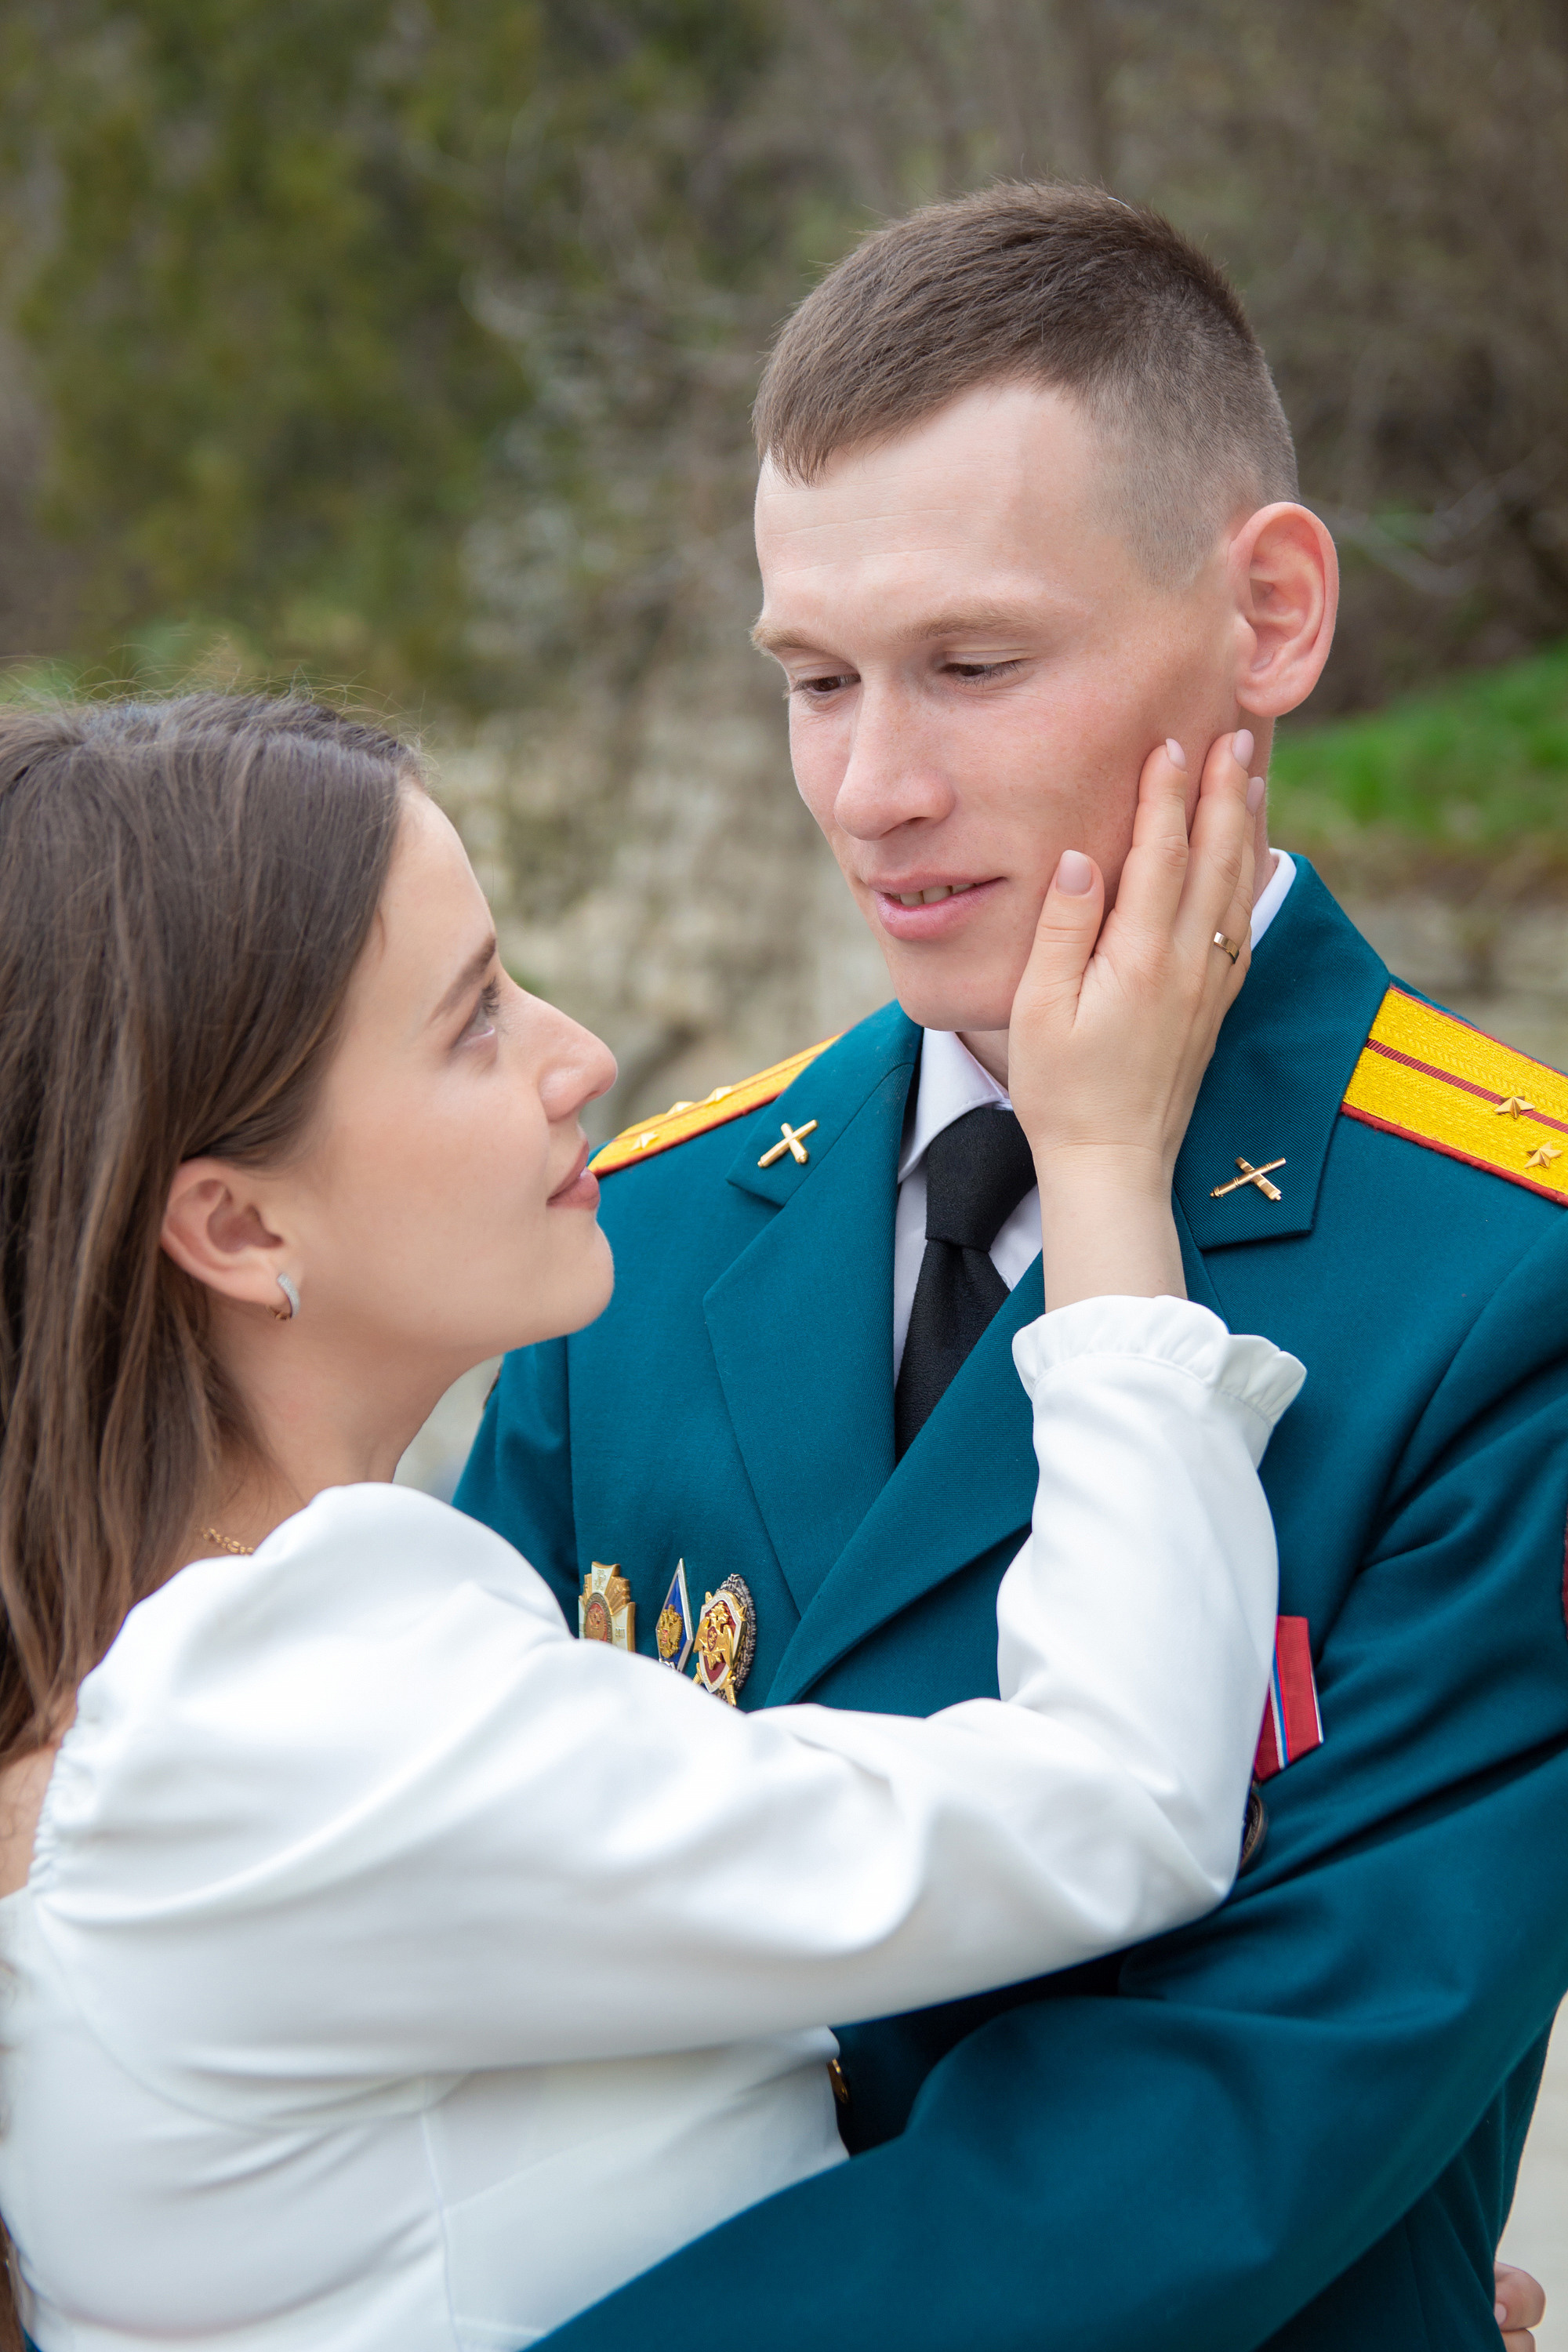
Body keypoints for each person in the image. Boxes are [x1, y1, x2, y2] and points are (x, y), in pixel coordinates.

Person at [457, 185, 1568, 2352]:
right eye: (812, 681)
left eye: (974, 665)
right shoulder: (650, 1235)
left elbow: (1233, 2131)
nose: (873, 788)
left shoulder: (1504, 1289)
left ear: (1267, 614)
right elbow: (443, 1933)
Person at [0, 691, 1301, 2351]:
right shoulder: (290, 1718)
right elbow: (1118, 1801)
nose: (580, 1058)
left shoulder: (165, 1695)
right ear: (240, 1224)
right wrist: (1107, 1162)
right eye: (472, 1020)